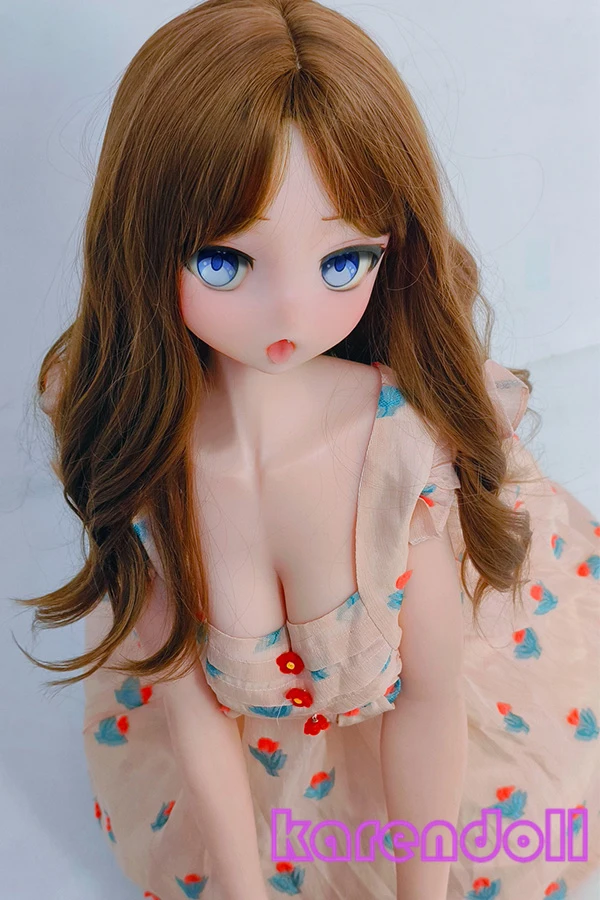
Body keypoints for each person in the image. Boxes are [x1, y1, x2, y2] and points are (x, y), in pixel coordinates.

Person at [22, 1, 599, 898]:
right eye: (224, 262)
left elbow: (430, 700)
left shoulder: (400, 452)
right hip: (259, 782)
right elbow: (192, 711)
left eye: (343, 262)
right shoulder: (148, 463)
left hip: (429, 776)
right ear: (143, 246)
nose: (291, 313)